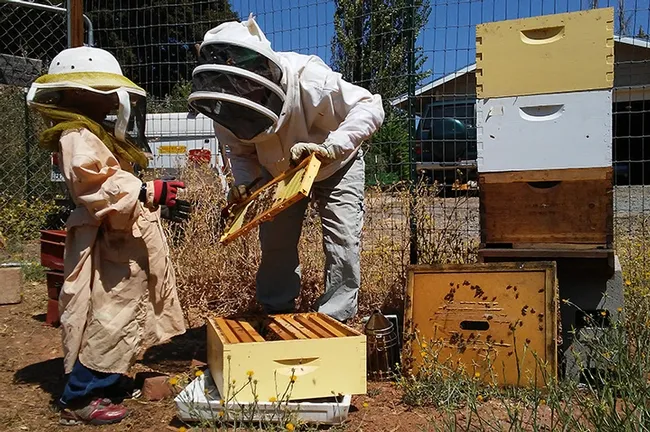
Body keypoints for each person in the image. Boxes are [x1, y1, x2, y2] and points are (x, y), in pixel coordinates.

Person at [27, 46, 189, 426]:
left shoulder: (90, 132)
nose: (110, 100)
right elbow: (94, 183)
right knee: (107, 314)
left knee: (126, 309)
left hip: (121, 235)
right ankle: (79, 396)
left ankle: (108, 380)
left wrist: (150, 197)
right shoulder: (76, 136)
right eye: (101, 90)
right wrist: (147, 191)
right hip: (105, 237)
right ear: (78, 92)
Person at [188, 14, 385, 323]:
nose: (240, 90)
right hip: (278, 171)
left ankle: (337, 318)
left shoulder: (311, 79)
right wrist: (245, 183)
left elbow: (370, 106)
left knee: (342, 239)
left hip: (336, 164)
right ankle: (276, 312)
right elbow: (240, 150)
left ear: (258, 68)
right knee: (276, 242)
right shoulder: (226, 105)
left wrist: (331, 147)